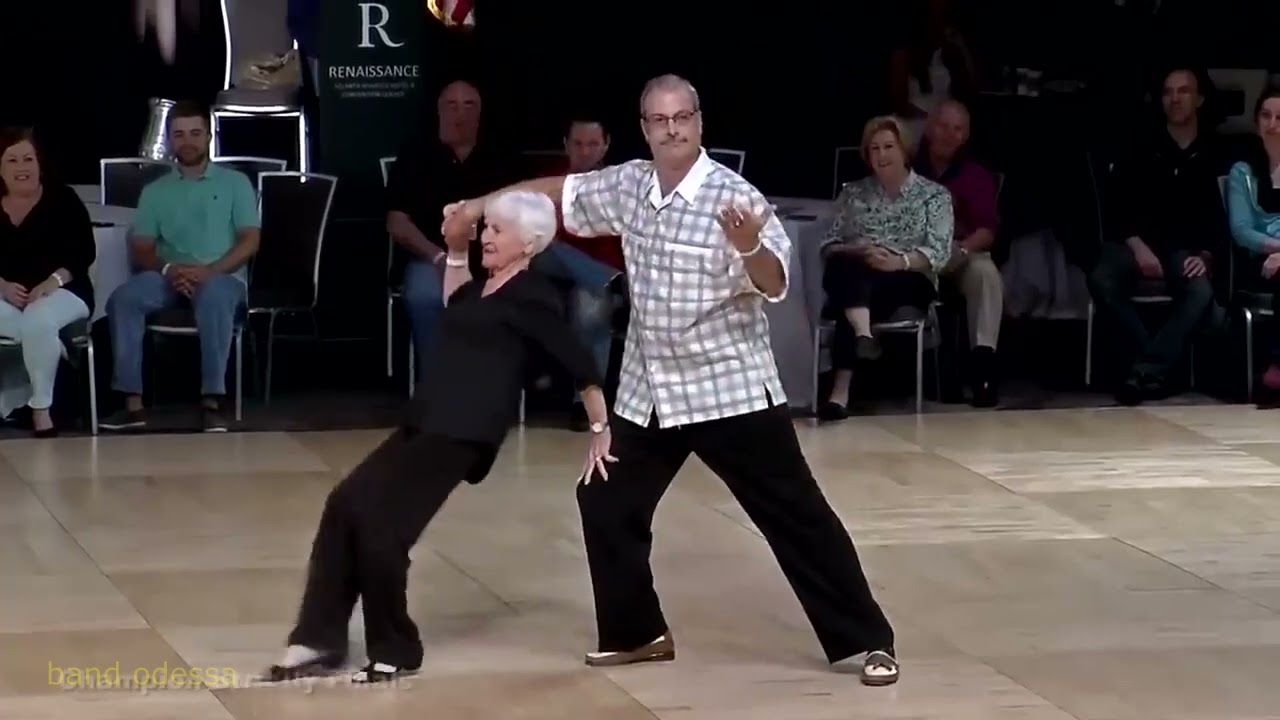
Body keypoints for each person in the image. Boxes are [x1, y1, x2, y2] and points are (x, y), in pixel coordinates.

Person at [444, 74, 900, 687]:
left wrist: (747, 247)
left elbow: (773, 283)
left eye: (682, 117)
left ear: (699, 122)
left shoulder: (735, 196)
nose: (672, 129)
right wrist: (480, 206)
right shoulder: (629, 185)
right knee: (605, 499)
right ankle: (636, 633)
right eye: (659, 120)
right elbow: (558, 192)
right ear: (645, 129)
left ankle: (868, 640)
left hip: (728, 387)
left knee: (795, 513)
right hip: (650, 390)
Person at [265, 190, 609, 684]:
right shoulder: (480, 291)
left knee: (383, 527)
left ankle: (396, 648)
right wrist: (456, 247)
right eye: (487, 227)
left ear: (530, 243)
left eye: (498, 230)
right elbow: (454, 301)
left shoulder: (534, 296)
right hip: (426, 418)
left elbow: (579, 360)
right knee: (345, 504)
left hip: (463, 429)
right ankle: (319, 637)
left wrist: (599, 427)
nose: (488, 236)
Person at [99, 100, 259, 432]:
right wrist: (169, 269)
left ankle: (212, 400)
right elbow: (142, 246)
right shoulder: (155, 191)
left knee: (213, 295)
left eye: (195, 133)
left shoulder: (236, 183)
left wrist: (209, 271)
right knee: (123, 299)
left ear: (209, 137)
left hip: (222, 276)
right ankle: (132, 404)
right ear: (170, 139)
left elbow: (249, 240)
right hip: (168, 275)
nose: (188, 141)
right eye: (179, 134)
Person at [1089, 68, 1227, 405]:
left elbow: (1221, 218)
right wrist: (1137, 246)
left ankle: (1146, 370)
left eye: (1183, 91)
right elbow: (1115, 205)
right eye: (1168, 92)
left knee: (1201, 291)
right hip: (1135, 244)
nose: (1175, 99)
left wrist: (1207, 255)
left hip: (1184, 250)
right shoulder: (1141, 145)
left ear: (1199, 99)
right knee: (1101, 278)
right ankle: (1159, 364)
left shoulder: (1216, 153)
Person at [818, 115, 953, 421]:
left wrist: (897, 261)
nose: (881, 155)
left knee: (847, 297)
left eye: (889, 147)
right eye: (874, 148)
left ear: (905, 150)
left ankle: (840, 392)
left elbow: (939, 251)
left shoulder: (934, 195)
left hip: (909, 276)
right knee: (845, 269)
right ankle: (864, 335)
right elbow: (828, 244)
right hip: (859, 269)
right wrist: (859, 249)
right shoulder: (853, 193)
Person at [386, 80, 512, 377]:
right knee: (425, 294)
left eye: (469, 105)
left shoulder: (500, 155)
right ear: (439, 111)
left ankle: (489, 383)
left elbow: (519, 215)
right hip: (432, 257)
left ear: (480, 113)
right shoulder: (416, 152)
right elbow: (396, 222)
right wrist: (439, 257)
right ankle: (439, 383)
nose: (461, 114)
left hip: (491, 259)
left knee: (510, 295)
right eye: (452, 105)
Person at [0, 127, 96, 437]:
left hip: (63, 290)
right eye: (12, 160)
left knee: (38, 318)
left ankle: (41, 409)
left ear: (40, 164)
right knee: (34, 328)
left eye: (28, 159)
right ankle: (55, 350)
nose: (22, 167)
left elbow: (83, 252)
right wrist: (2, 286)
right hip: (6, 295)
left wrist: (53, 281)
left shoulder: (63, 199)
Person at [536, 115, 624, 430]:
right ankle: (612, 284)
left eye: (593, 144)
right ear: (566, 145)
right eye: (578, 144)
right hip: (549, 267)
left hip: (597, 270)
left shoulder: (618, 185)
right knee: (545, 246)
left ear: (606, 146)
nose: (585, 151)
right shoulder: (550, 181)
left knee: (591, 308)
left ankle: (585, 404)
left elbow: (617, 244)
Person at [915, 99, 1003, 406]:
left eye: (958, 129)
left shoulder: (976, 175)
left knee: (985, 272)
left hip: (958, 251)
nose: (949, 135)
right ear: (929, 128)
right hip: (915, 253)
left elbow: (987, 230)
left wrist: (962, 249)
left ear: (965, 135)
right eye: (943, 126)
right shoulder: (908, 167)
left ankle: (983, 366)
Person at [1227, 86, 1280, 399]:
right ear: (1256, 121)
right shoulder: (1242, 171)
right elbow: (1242, 231)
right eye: (1265, 116)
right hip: (1259, 260)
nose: (1272, 124)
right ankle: (1276, 363)